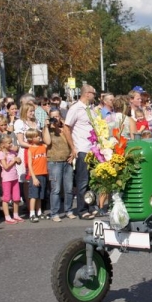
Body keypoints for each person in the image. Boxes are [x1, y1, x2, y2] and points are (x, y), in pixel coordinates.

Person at [63, 84, 98, 220]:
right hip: (82, 148)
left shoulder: (91, 109)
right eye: (94, 93)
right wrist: (73, 148)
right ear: (87, 94)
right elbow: (67, 128)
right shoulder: (76, 108)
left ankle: (91, 205)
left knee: (92, 180)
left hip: (93, 149)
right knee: (82, 181)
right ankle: (82, 209)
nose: (94, 96)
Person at [47, 109, 76, 222]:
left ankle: (68, 210)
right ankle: (54, 213)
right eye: (53, 117)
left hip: (67, 161)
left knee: (69, 188)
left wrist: (73, 153)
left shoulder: (65, 129)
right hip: (54, 161)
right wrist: (47, 126)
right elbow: (47, 142)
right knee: (56, 189)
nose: (56, 119)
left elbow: (71, 141)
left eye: (57, 116)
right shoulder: (48, 129)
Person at [26, 125, 51, 223]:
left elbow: (48, 142)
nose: (39, 137)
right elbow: (30, 165)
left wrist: (45, 128)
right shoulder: (31, 149)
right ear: (31, 138)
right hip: (35, 175)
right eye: (36, 136)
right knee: (33, 195)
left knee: (41, 195)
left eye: (39, 135)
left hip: (43, 174)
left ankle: (39, 212)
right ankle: (32, 213)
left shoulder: (43, 146)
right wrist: (34, 177)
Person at [0, 134, 23, 224]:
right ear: (3, 144)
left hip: (15, 177)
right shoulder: (1, 154)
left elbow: (17, 162)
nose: (11, 144)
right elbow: (6, 167)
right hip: (7, 179)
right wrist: (14, 161)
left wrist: (19, 160)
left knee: (16, 197)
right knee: (6, 198)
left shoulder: (12, 152)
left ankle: (16, 214)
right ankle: (7, 217)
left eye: (11, 142)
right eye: (9, 143)